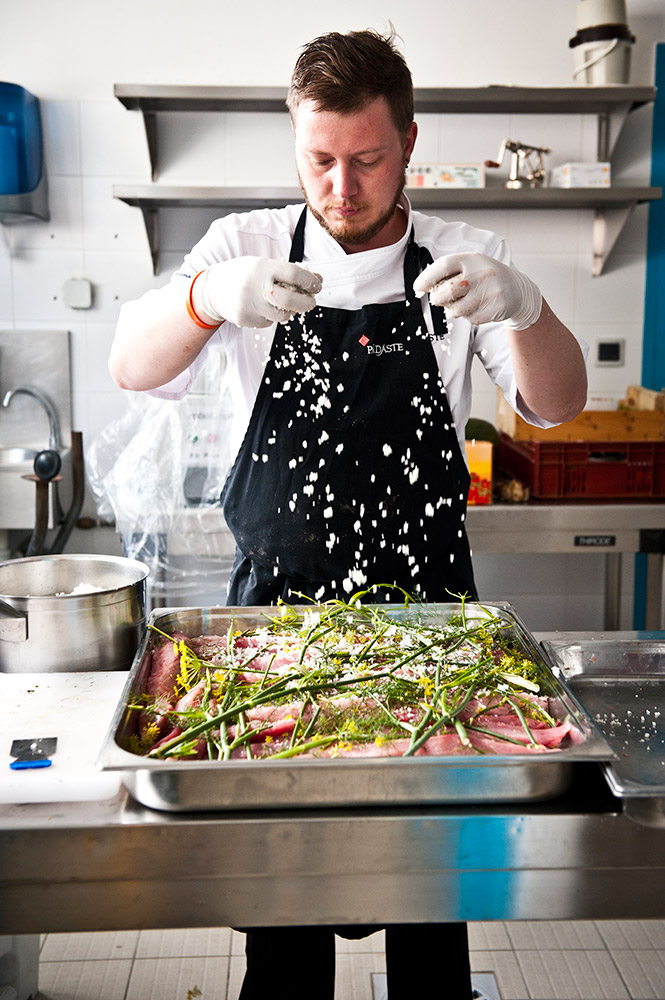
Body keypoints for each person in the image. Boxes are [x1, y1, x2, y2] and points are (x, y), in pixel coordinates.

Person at [109, 27, 587, 999]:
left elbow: (559, 404)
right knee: (283, 953)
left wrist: (528, 308)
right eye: (317, 160)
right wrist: (207, 297)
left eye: (364, 159)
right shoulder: (243, 247)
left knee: (428, 950)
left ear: (408, 141)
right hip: (276, 648)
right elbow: (131, 362)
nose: (339, 187)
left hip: (434, 655)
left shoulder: (465, 258)